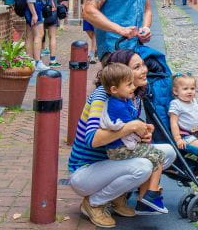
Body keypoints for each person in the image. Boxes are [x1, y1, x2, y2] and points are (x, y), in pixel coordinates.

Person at [67, 49, 177, 226]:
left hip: (112, 162)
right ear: (120, 73)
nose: (145, 70)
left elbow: (123, 134)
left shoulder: (131, 96)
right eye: (137, 67)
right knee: (143, 166)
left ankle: (118, 197)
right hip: (85, 172)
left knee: (168, 152)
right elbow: (92, 139)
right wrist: (132, 126)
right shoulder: (102, 96)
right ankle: (94, 202)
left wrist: (142, 134)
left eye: (143, 65)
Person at [97, 63, 168, 214]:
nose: (132, 87)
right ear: (114, 90)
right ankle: (151, 194)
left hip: (122, 145)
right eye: (128, 84)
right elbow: (131, 126)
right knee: (158, 156)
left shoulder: (125, 100)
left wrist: (144, 128)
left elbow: (135, 123)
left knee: (154, 156)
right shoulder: (117, 105)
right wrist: (144, 131)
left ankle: (146, 196)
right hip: (119, 149)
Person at [21, 0, 50, 73]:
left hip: (33, 7)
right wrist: (34, 13)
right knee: (39, 34)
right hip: (34, 7)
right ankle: (37, 61)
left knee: (30, 35)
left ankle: (30, 60)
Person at [40, 0, 70, 68]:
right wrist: (60, 3)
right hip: (52, 13)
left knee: (39, 35)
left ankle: (39, 59)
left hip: (40, 11)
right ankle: (52, 60)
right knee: (52, 36)